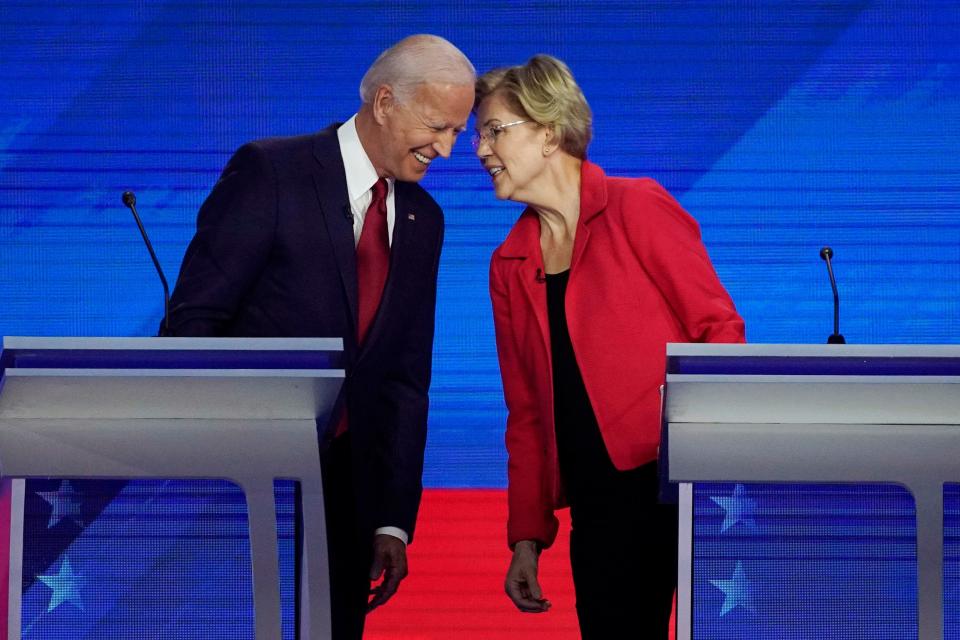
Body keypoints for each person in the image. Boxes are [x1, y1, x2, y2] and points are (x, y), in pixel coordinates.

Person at [165, 35, 475, 639]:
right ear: (385, 102)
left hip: (348, 503)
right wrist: (207, 459)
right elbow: (195, 321)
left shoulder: (424, 220)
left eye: (458, 132)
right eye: (438, 126)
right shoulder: (271, 172)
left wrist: (392, 520)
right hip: (244, 488)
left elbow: (406, 380)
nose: (446, 148)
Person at [474, 55, 745, 638]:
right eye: (478, 134)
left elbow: (719, 331)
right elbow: (525, 412)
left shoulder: (636, 205)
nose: (480, 150)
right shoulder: (508, 264)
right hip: (599, 504)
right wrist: (526, 535)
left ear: (548, 131)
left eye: (494, 130)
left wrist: (715, 462)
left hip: (683, 485)